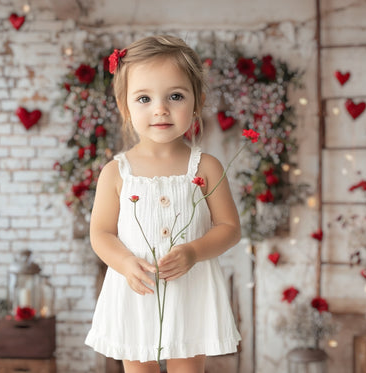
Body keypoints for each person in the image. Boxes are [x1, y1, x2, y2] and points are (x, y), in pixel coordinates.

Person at [85, 35, 242, 373]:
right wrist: (125, 262)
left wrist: (194, 252)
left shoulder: (206, 166)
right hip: (136, 290)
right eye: (144, 98)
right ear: (125, 107)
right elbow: (100, 233)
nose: (160, 108)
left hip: (190, 289)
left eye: (175, 96)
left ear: (197, 102)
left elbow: (230, 228)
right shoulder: (116, 172)